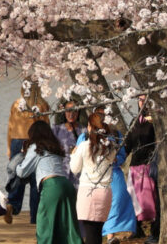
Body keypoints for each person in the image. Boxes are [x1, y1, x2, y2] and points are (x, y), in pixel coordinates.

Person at [76, 108, 137, 244]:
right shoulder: (84, 138)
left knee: (116, 203)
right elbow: (80, 160)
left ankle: (110, 236)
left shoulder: (115, 135)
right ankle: (108, 236)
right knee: (93, 221)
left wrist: (116, 160)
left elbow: (121, 156)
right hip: (92, 178)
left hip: (112, 174)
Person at [16, 121, 83, 244]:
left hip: (51, 185)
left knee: (44, 225)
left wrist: (20, 157)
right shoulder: (55, 146)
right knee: (68, 227)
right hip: (66, 185)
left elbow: (22, 172)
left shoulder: (35, 147)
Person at [6, 79, 50, 223]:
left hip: (16, 141)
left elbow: (10, 127)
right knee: (35, 181)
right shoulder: (41, 105)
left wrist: (8, 147)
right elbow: (46, 127)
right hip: (34, 142)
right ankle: (35, 217)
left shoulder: (16, 104)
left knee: (16, 176)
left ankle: (12, 203)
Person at [70, 113, 117, 244]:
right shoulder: (110, 147)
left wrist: (73, 154)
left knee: (90, 232)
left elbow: (74, 169)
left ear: (90, 127)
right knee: (97, 231)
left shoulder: (84, 146)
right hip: (104, 192)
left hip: (88, 192)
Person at [124, 95, 158, 241]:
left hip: (149, 164)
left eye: (145, 99)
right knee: (133, 198)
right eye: (140, 99)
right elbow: (128, 143)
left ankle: (155, 231)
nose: (142, 102)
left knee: (151, 200)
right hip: (135, 165)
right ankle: (136, 229)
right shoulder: (135, 121)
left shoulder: (156, 121)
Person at [52, 100, 87, 189]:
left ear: (78, 112)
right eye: (68, 111)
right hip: (61, 172)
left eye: (74, 111)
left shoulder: (84, 130)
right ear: (64, 112)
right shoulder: (56, 129)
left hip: (79, 173)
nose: (71, 114)